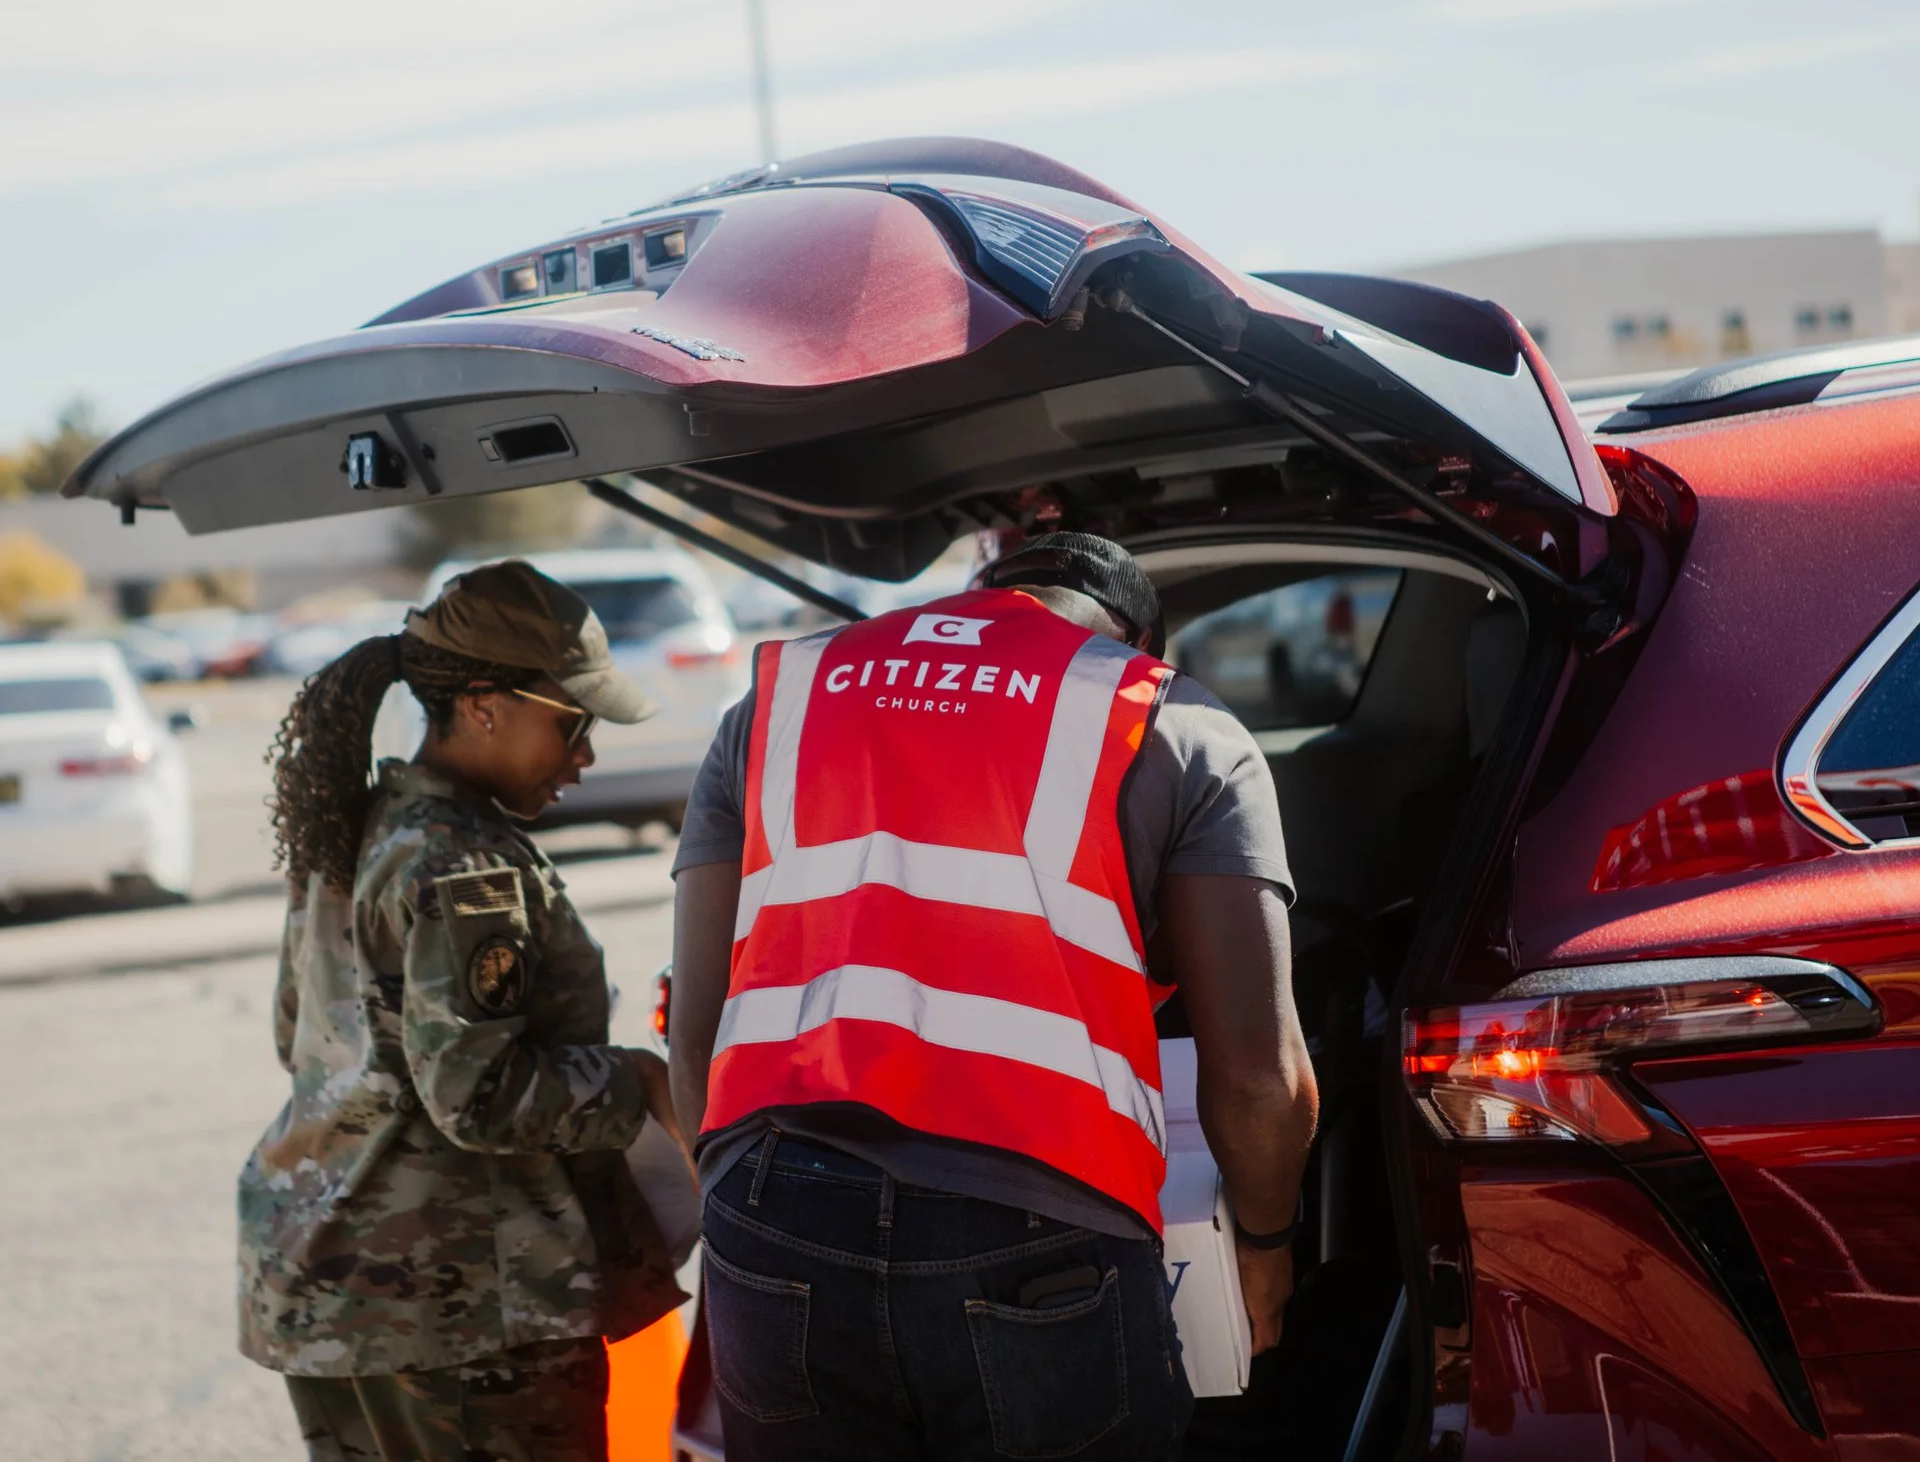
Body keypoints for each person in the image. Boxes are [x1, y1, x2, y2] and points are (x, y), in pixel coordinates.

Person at [666, 532, 1319, 1461]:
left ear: (980, 596)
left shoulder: (777, 697)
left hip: (774, 1205)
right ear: (1139, 640)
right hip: (1041, 1228)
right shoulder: (1174, 721)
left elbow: (697, 1033)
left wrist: (749, 1228)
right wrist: (1266, 1245)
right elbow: (1261, 1079)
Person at [238, 560, 690, 1462]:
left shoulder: (357, 826)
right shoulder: (463, 861)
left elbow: (299, 1034)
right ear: (485, 704)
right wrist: (641, 1079)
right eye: (572, 722)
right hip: (461, 1312)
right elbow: (481, 1097)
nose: (585, 756)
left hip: (333, 1291)